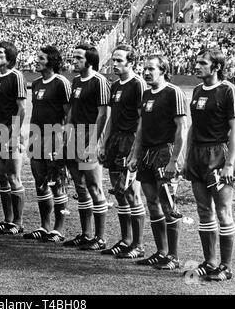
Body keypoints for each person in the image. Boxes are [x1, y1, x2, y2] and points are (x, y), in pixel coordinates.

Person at [184, 48, 235, 281]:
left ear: (216, 67)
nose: (197, 66)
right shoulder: (197, 90)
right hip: (197, 156)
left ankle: (226, 267)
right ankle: (210, 262)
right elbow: (193, 128)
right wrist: (187, 156)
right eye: (197, 62)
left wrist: (229, 164)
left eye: (203, 63)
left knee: (223, 211)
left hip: (218, 155)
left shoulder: (228, 90)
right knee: (204, 211)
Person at [128, 54, 187, 270]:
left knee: (168, 204)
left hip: (165, 151)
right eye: (145, 68)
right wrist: (135, 154)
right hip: (146, 154)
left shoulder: (174, 93)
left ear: (163, 70)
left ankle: (173, 256)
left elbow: (182, 127)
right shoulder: (145, 94)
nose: (146, 72)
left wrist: (174, 160)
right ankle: (161, 252)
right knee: (152, 203)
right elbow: (141, 127)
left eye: (151, 68)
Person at [99, 44, 147, 258]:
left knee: (131, 192)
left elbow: (142, 120)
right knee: (119, 192)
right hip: (115, 141)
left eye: (119, 60)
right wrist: (103, 142)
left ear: (131, 62)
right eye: (114, 60)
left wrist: (135, 149)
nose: (115, 64)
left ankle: (138, 244)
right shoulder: (115, 85)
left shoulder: (138, 85)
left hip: (130, 141)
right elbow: (111, 117)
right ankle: (125, 240)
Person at [63, 44, 110, 250]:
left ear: (89, 61)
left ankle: (100, 237)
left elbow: (103, 114)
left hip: (90, 137)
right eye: (74, 57)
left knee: (94, 187)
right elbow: (72, 109)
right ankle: (85, 233)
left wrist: (94, 142)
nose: (74, 60)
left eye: (78, 58)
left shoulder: (100, 81)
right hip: (75, 136)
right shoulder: (75, 81)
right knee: (80, 188)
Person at [23, 45, 71, 242]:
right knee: (40, 181)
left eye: (41, 58)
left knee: (57, 181)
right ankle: (45, 226)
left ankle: (59, 229)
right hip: (37, 135)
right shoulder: (35, 84)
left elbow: (69, 114)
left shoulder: (61, 83)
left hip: (55, 136)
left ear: (51, 61)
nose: (36, 60)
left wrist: (63, 141)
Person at [0, 41, 27, 235]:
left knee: (13, 177)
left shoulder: (16, 76)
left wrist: (15, 135)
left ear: (10, 57)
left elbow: (22, 108)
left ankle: (17, 222)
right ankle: (7, 219)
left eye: (0, 53)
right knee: (2, 176)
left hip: (9, 132)